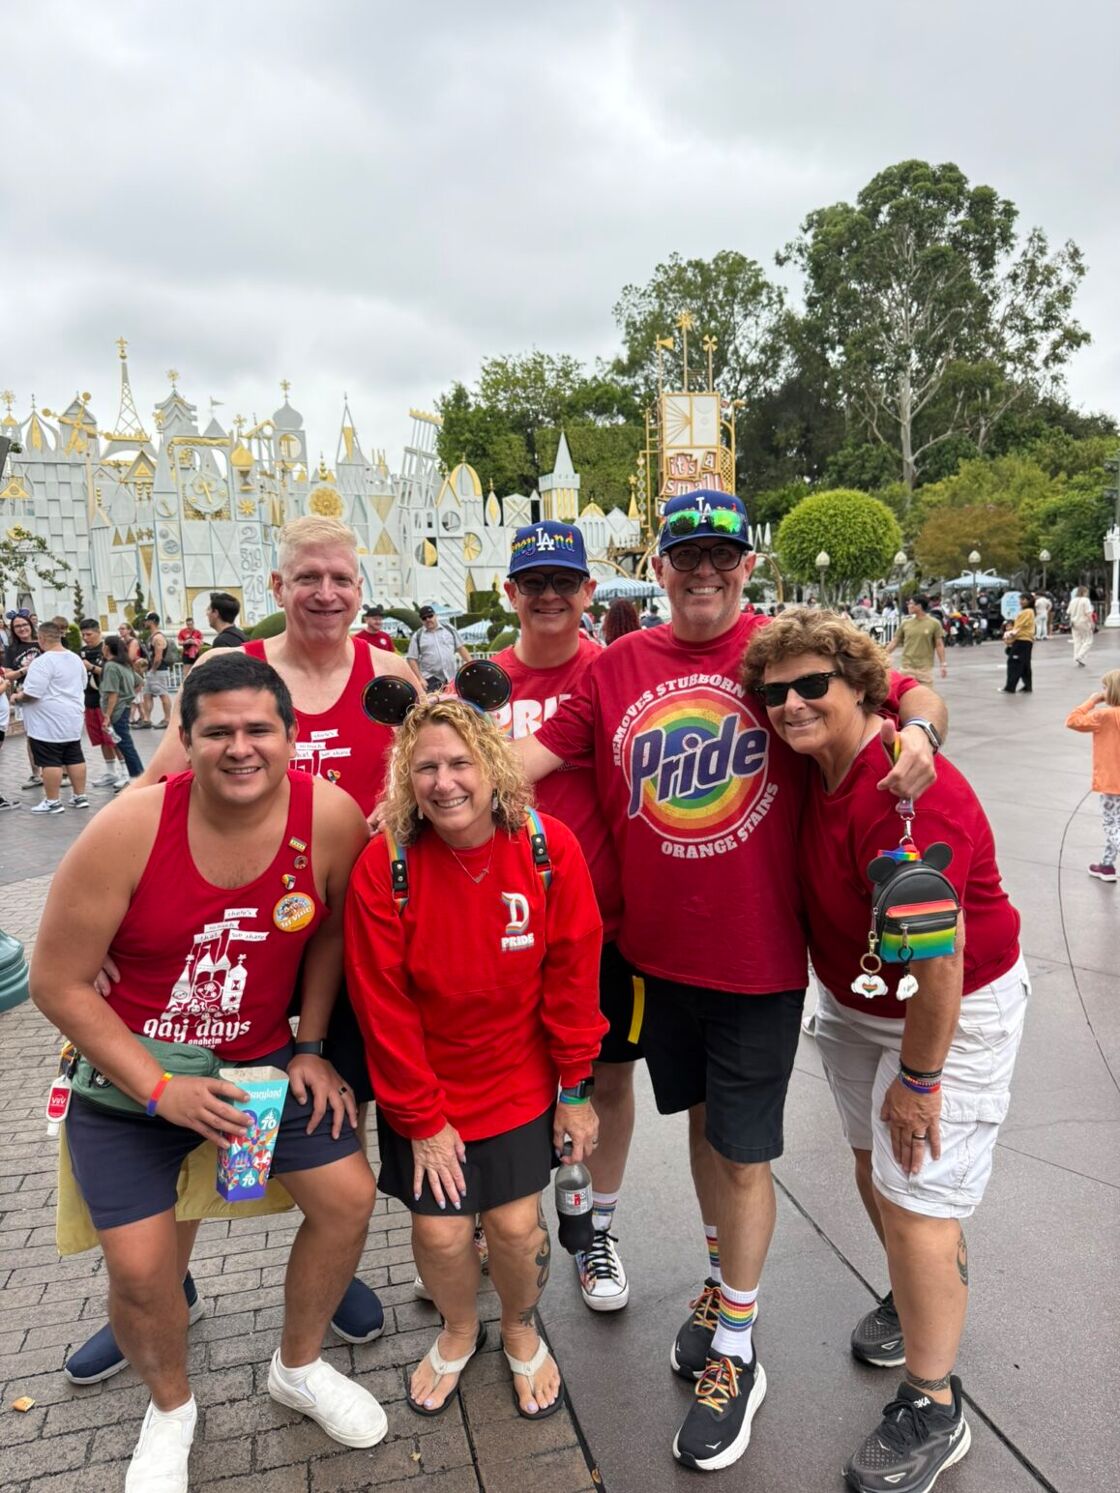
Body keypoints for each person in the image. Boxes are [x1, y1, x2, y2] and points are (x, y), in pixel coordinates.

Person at [515, 489, 946, 1473]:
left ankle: (739, 1350)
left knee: (745, 1157)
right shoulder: (618, 665)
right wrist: (413, 781)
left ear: (745, 564)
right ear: (658, 566)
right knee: (708, 1135)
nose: (702, 570)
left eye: (720, 554)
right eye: (684, 555)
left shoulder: (774, 655)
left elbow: (902, 689)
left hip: (754, 962)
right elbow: (523, 760)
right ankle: (723, 1284)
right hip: (658, 960)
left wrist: (921, 726)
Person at [31, 654, 386, 1490]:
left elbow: (329, 932)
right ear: (182, 740)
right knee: (143, 1269)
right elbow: (56, 981)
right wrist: (159, 1087)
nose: (240, 747)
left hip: (260, 1067)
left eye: (259, 729)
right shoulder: (129, 827)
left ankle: (297, 1366)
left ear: (292, 739)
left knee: (349, 1199)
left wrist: (312, 1043)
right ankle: (171, 1408)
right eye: (217, 731)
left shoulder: (329, 816)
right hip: (133, 1078)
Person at [105, 516, 416, 1360]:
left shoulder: (390, 675)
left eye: (341, 579)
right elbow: (160, 779)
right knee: (178, 1115)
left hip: (342, 938)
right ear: (277, 587)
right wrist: (107, 907)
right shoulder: (232, 677)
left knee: (329, 1112)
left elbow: (427, 777)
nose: (325, 593)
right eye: (307, 577)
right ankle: (159, 1288)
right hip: (232, 936)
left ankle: (335, 1267)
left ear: (361, 588)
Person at [743, 608, 1027, 1493]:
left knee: (914, 1197)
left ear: (860, 686)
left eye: (811, 686)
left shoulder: (906, 789)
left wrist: (920, 1077)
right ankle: (921, 1293)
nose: (789, 704)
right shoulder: (812, 756)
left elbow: (939, 963)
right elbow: (909, 692)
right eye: (775, 691)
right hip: (857, 999)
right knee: (879, 1176)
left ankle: (935, 1406)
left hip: (947, 1011)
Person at [344, 695, 605, 1419]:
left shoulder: (547, 850)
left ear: (492, 767)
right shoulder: (385, 865)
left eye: (460, 761)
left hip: (519, 1074)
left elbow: (575, 976)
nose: (444, 780)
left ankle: (520, 1327)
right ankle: (461, 1328)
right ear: (406, 777)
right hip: (425, 1080)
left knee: (517, 1227)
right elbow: (381, 1004)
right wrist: (422, 1118)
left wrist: (575, 1087)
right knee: (440, 1228)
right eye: (424, 766)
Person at [493, 521, 641, 1313]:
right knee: (506, 1079)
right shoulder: (482, 684)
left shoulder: (617, 671)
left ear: (589, 591)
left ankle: (596, 1231)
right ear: (510, 592)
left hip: (606, 926)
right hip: (503, 929)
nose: (549, 596)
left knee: (607, 1078)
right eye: (533, 583)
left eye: (565, 582)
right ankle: (499, 1221)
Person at [11, 620, 89, 814]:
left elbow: (32, 693)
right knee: (74, 756)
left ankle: (53, 801)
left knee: (50, 760)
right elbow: (83, 683)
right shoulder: (75, 659)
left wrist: (17, 697)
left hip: (48, 721)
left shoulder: (42, 662)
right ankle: (80, 796)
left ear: (42, 638)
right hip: (72, 717)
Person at [1065, 670, 1120, 882]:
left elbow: (1072, 720)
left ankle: (1107, 865)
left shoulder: (1103, 716)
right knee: (1117, 823)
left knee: (1111, 824)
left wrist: (1090, 702)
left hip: (1111, 781)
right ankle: (1106, 865)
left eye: (1105, 688)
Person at [78, 619, 124, 789]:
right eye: (83, 635)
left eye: (89, 634)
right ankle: (111, 772)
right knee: (101, 739)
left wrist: (91, 667)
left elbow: (113, 672)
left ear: (98, 632)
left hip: (106, 700)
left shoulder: (107, 649)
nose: (85, 638)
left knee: (114, 738)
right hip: (89, 699)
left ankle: (126, 772)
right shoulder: (82, 651)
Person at [2, 611, 44, 788]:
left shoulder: (42, 643)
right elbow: (7, 674)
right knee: (31, 734)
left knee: (53, 732)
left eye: (24, 625)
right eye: (17, 626)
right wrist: (25, 670)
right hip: (24, 693)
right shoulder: (11, 650)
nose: (22, 629)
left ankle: (61, 771)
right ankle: (36, 773)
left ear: (31, 625)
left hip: (47, 693)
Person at [99, 634, 145, 785]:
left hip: (117, 710)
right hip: (124, 708)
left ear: (106, 648)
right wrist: (129, 696)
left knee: (124, 744)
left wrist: (107, 716)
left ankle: (138, 776)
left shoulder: (111, 666)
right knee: (125, 743)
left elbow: (113, 694)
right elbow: (140, 682)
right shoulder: (125, 665)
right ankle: (138, 775)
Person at [887, 594, 947, 687]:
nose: (908, 606)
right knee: (904, 697)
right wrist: (883, 655)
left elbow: (939, 645)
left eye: (911, 603)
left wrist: (943, 664)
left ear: (919, 606)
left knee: (925, 698)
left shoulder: (934, 623)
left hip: (924, 669)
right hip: (907, 668)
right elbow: (894, 642)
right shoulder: (906, 623)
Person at [407, 606, 470, 690]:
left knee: (453, 702)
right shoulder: (417, 636)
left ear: (435, 616)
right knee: (435, 703)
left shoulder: (449, 629)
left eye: (430, 616)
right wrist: (420, 678)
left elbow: (461, 648)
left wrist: (472, 664)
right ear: (421, 620)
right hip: (430, 679)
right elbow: (411, 658)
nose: (428, 619)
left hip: (451, 677)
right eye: (424, 618)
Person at [140, 612, 172, 728]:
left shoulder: (158, 637)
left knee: (163, 694)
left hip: (158, 671)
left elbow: (158, 658)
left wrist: (153, 670)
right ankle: (146, 720)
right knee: (147, 694)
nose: (145, 623)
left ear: (152, 621)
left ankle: (167, 719)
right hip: (152, 670)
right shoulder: (152, 636)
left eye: (147, 620)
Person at [1000, 593, 1036, 694]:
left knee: (1014, 662)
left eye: (1023, 599)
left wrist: (1010, 635)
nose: (1021, 601)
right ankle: (1027, 686)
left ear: (1029, 601)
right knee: (1024, 664)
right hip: (1027, 640)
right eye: (1020, 599)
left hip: (1022, 640)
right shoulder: (1029, 611)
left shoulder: (1027, 612)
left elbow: (1019, 626)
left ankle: (1010, 687)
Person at [1068, 585, 1095, 667]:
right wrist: (1092, 623)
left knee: (1077, 640)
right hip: (1084, 621)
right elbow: (1088, 613)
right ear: (1084, 592)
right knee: (1088, 640)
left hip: (1074, 622)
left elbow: (1069, 612)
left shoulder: (1073, 601)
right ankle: (1080, 656)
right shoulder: (1085, 600)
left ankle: (1077, 656)